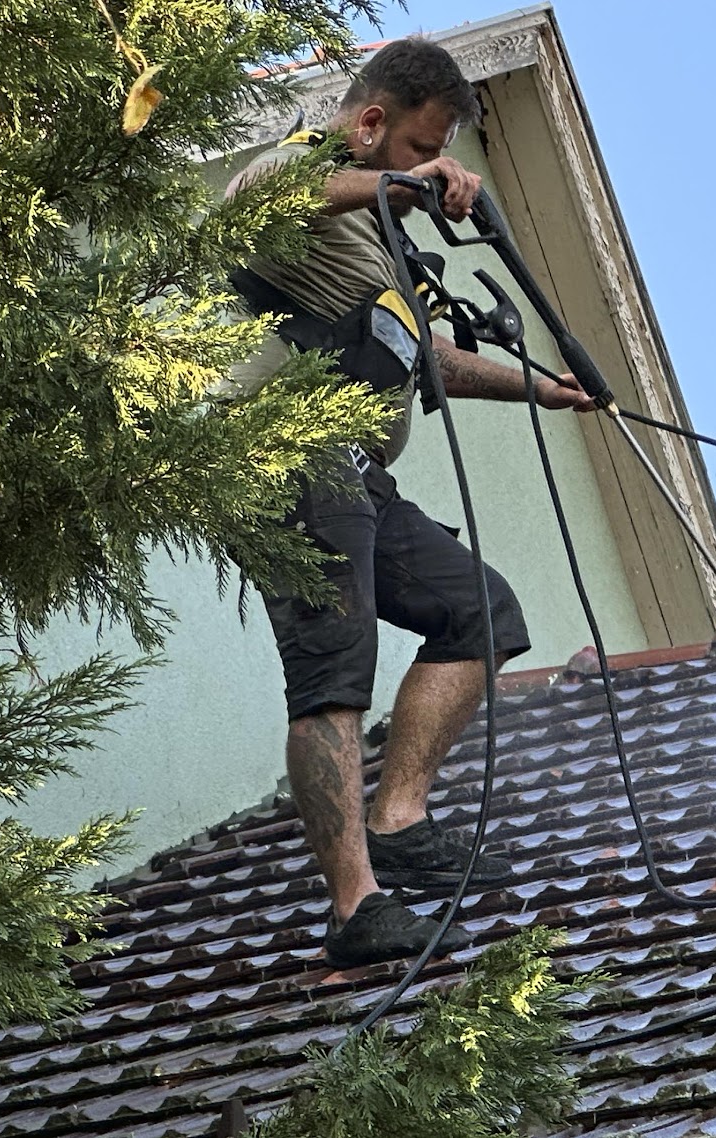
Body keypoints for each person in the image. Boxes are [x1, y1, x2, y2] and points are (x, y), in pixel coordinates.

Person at [225, 37, 595, 968]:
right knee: (335, 667)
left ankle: (397, 819)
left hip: (358, 471)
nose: (431, 168)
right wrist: (411, 186)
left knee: (482, 610)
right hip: (283, 455)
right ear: (370, 122)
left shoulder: (388, 255)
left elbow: (429, 360)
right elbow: (265, 201)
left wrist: (540, 387)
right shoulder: (296, 172)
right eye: (418, 148)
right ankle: (357, 908)